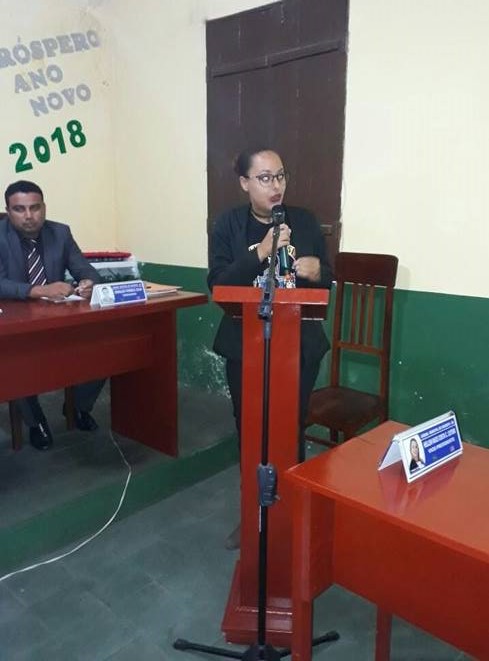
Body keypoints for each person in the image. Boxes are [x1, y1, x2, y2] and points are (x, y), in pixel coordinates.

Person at [208, 147, 334, 548]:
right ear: (245, 183)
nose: (275, 185)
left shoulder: (305, 221)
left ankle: (289, 515)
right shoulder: (228, 225)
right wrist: (262, 251)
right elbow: (218, 284)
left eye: (280, 176)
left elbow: (327, 277)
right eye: (264, 178)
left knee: (289, 427)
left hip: (300, 346)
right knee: (249, 428)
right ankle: (252, 515)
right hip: (244, 346)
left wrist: (319, 271)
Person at [0, 180, 105, 450]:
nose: (29, 216)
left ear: (44, 207)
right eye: (19, 209)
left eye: (35, 208)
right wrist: (38, 290)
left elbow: (86, 270)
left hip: (57, 318)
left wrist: (88, 283)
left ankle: (78, 407)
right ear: (8, 211)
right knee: (12, 360)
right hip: (12, 324)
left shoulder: (60, 233)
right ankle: (36, 422)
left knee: (104, 347)